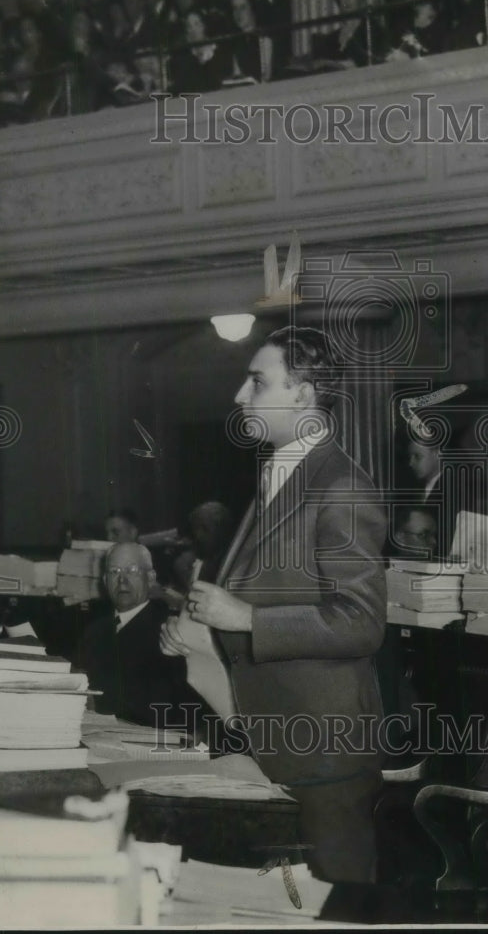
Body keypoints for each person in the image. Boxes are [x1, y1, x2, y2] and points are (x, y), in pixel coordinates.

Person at [160, 325, 388, 885]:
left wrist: (243, 619)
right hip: (274, 736)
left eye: (257, 382)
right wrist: (202, 630)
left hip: (324, 750)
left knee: (336, 905)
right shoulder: (280, 472)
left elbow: (361, 623)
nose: (240, 396)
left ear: (303, 394)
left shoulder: (342, 487)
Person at [75, 541, 206, 729]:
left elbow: (176, 712)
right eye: (114, 572)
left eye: (133, 571)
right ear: (104, 581)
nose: (122, 580)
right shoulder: (94, 631)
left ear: (151, 578)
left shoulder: (170, 633)